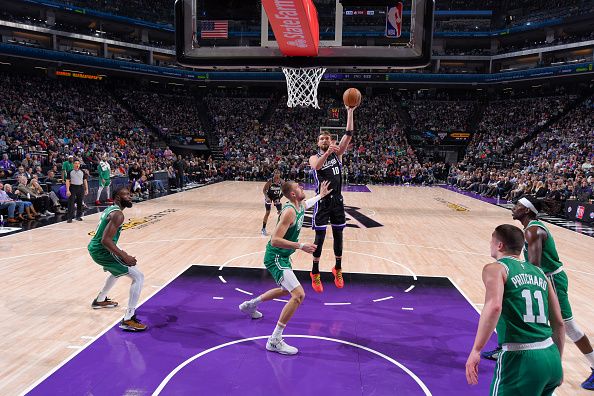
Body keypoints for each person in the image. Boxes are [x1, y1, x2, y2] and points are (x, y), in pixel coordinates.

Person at [466, 224, 565, 395]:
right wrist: (557, 361)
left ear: (499, 245)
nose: (490, 244)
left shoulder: (495, 268)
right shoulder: (540, 273)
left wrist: (476, 349)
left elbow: (494, 306)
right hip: (551, 357)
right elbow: (559, 323)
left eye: (492, 241)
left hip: (521, 358)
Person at [239, 180, 331, 355]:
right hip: (275, 257)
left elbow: (307, 203)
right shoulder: (289, 211)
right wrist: (300, 245)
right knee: (298, 295)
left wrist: (321, 196)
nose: (302, 187)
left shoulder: (300, 205)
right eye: (298, 187)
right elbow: (274, 240)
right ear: (293, 194)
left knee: (284, 290)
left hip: (282, 257)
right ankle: (274, 340)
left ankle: (250, 305)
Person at [517, 196, 594, 389]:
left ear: (527, 210)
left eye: (518, 205)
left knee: (569, 327)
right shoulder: (531, 228)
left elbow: (534, 267)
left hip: (552, 279)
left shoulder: (533, 231)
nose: (513, 207)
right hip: (548, 278)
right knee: (536, 320)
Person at [308, 105, 356, 292]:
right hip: (322, 201)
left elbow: (349, 134)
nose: (324, 140)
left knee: (338, 236)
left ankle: (337, 268)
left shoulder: (338, 155)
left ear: (332, 141)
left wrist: (350, 111)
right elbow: (317, 167)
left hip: (337, 201)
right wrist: (328, 152)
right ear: (318, 143)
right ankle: (315, 272)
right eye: (321, 138)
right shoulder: (314, 157)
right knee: (319, 237)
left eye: (327, 138)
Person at [87, 187, 147, 332]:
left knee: (116, 272)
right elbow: (105, 240)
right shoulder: (118, 214)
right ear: (117, 198)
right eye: (126, 194)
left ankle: (100, 300)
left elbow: (106, 238)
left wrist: (120, 251)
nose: (130, 196)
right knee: (138, 277)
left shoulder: (111, 209)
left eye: (129, 193)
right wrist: (124, 256)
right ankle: (128, 319)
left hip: (96, 248)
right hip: (102, 250)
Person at [261, 170, 284, 236]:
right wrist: (267, 197)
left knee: (280, 213)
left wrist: (279, 198)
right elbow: (264, 190)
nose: (277, 174)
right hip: (269, 196)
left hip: (276, 197)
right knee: (268, 212)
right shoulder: (270, 181)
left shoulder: (282, 182)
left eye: (278, 173)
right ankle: (263, 228)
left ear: (280, 174)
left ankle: (280, 230)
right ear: (273, 174)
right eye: (275, 173)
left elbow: (283, 191)